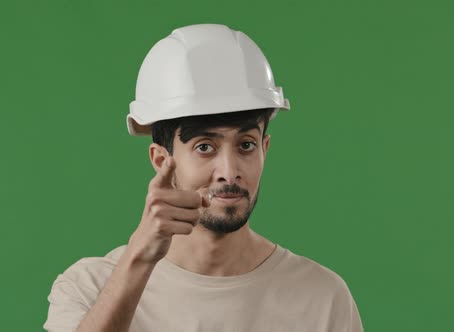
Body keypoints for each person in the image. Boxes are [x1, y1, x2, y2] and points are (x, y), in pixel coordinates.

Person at [43, 23, 363, 332]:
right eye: (205, 146)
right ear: (161, 159)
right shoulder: (87, 288)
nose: (228, 171)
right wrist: (139, 257)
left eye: (246, 145)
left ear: (265, 148)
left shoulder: (323, 298)